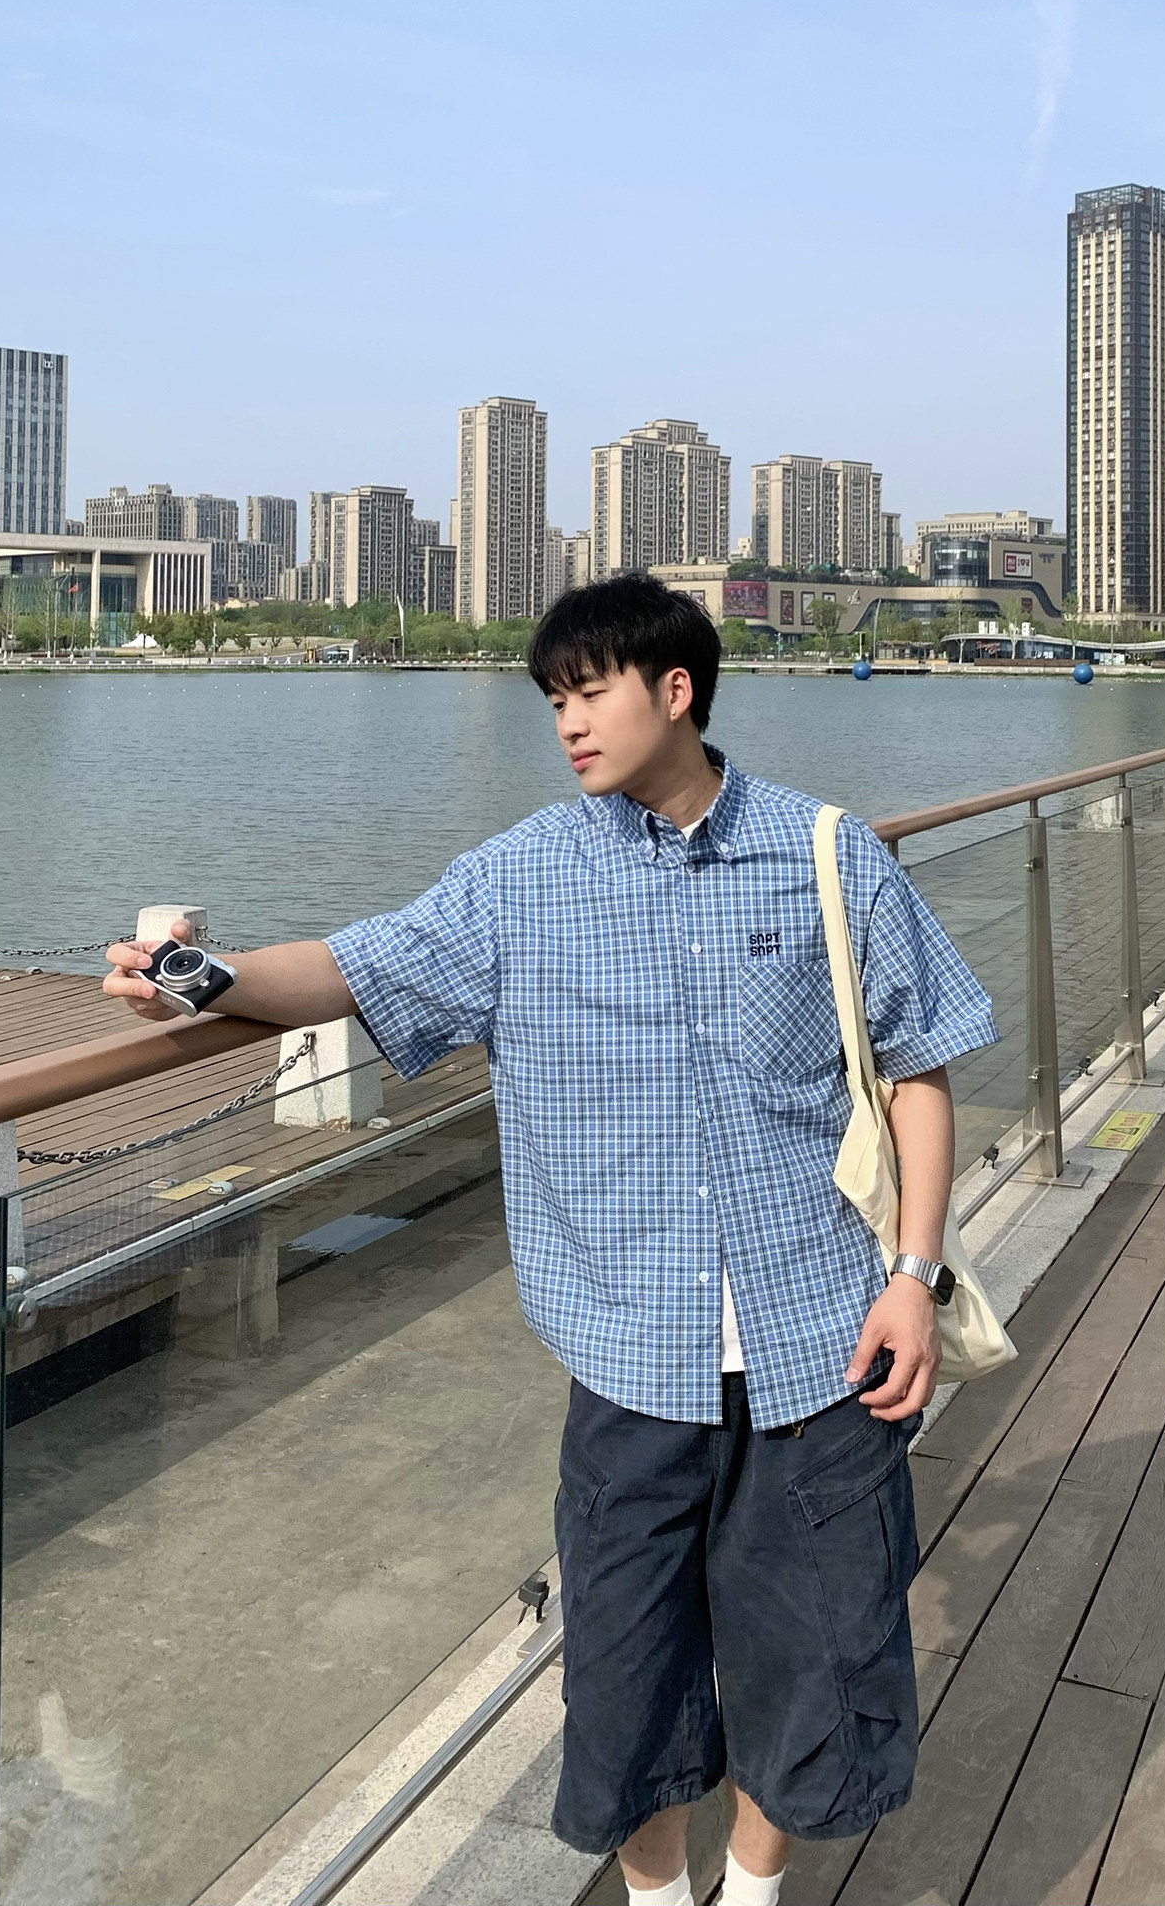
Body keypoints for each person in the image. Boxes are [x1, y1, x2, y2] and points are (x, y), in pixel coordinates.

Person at [103, 574, 999, 1906]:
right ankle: (657, 1898)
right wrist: (195, 979)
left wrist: (913, 1280)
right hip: (630, 1358)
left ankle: (753, 1891)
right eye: (553, 701)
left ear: (675, 690)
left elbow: (917, 1069)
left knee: (815, 1659)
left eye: (589, 692)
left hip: (825, 1342)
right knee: (630, 1680)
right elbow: (354, 966)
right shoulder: (521, 878)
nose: (567, 723)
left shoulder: (825, 852)